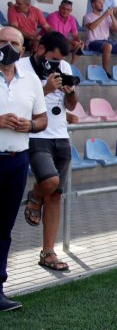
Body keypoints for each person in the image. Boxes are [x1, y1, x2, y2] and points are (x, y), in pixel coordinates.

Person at [17, 31, 77, 272]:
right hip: (36, 136)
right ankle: (34, 197)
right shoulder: (21, 67)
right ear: (40, 49)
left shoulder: (64, 67)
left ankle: (48, 252)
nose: (57, 65)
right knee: (50, 181)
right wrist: (47, 88)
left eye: (60, 61)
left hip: (60, 136)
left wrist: (70, 92)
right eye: (53, 59)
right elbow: (18, 104)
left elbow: (72, 105)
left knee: (55, 195)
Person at [0, 26, 47, 311]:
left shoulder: (31, 81)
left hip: (17, 161)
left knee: (4, 228)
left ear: (22, 49)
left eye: (13, 43)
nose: (7, 47)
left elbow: (42, 120)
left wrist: (29, 125)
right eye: (2, 41)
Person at [83, 0, 117, 76]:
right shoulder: (87, 16)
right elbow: (91, 27)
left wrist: (111, 15)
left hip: (106, 41)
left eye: (103, 3)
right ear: (93, 4)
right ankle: (105, 72)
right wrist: (104, 15)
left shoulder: (107, 17)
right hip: (92, 42)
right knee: (108, 46)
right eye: (99, 2)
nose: (102, 5)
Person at [46, 0, 83, 65]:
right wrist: (71, 42)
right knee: (65, 46)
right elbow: (55, 36)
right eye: (63, 8)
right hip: (50, 41)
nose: (65, 11)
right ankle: (59, 66)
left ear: (71, 10)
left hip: (63, 41)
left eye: (68, 9)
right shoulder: (53, 17)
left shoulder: (72, 18)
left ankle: (71, 66)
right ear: (59, 8)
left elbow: (75, 34)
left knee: (79, 45)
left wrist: (78, 40)